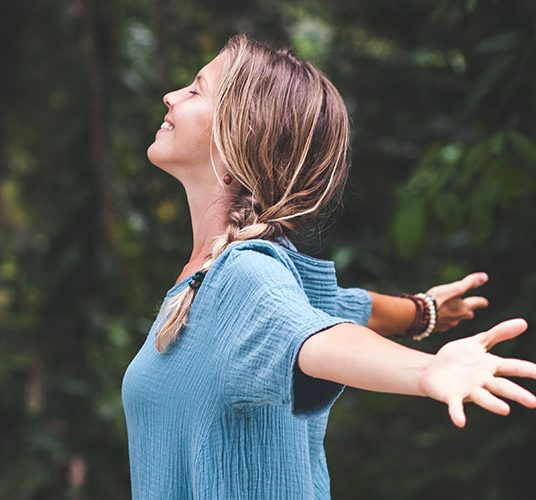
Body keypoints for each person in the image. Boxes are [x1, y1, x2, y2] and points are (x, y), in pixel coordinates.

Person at [122, 34, 536, 499]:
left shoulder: (242, 276)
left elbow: (318, 338)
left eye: (196, 89)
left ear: (239, 132)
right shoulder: (210, 278)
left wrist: (426, 372)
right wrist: (422, 312)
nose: (171, 96)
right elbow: (335, 309)